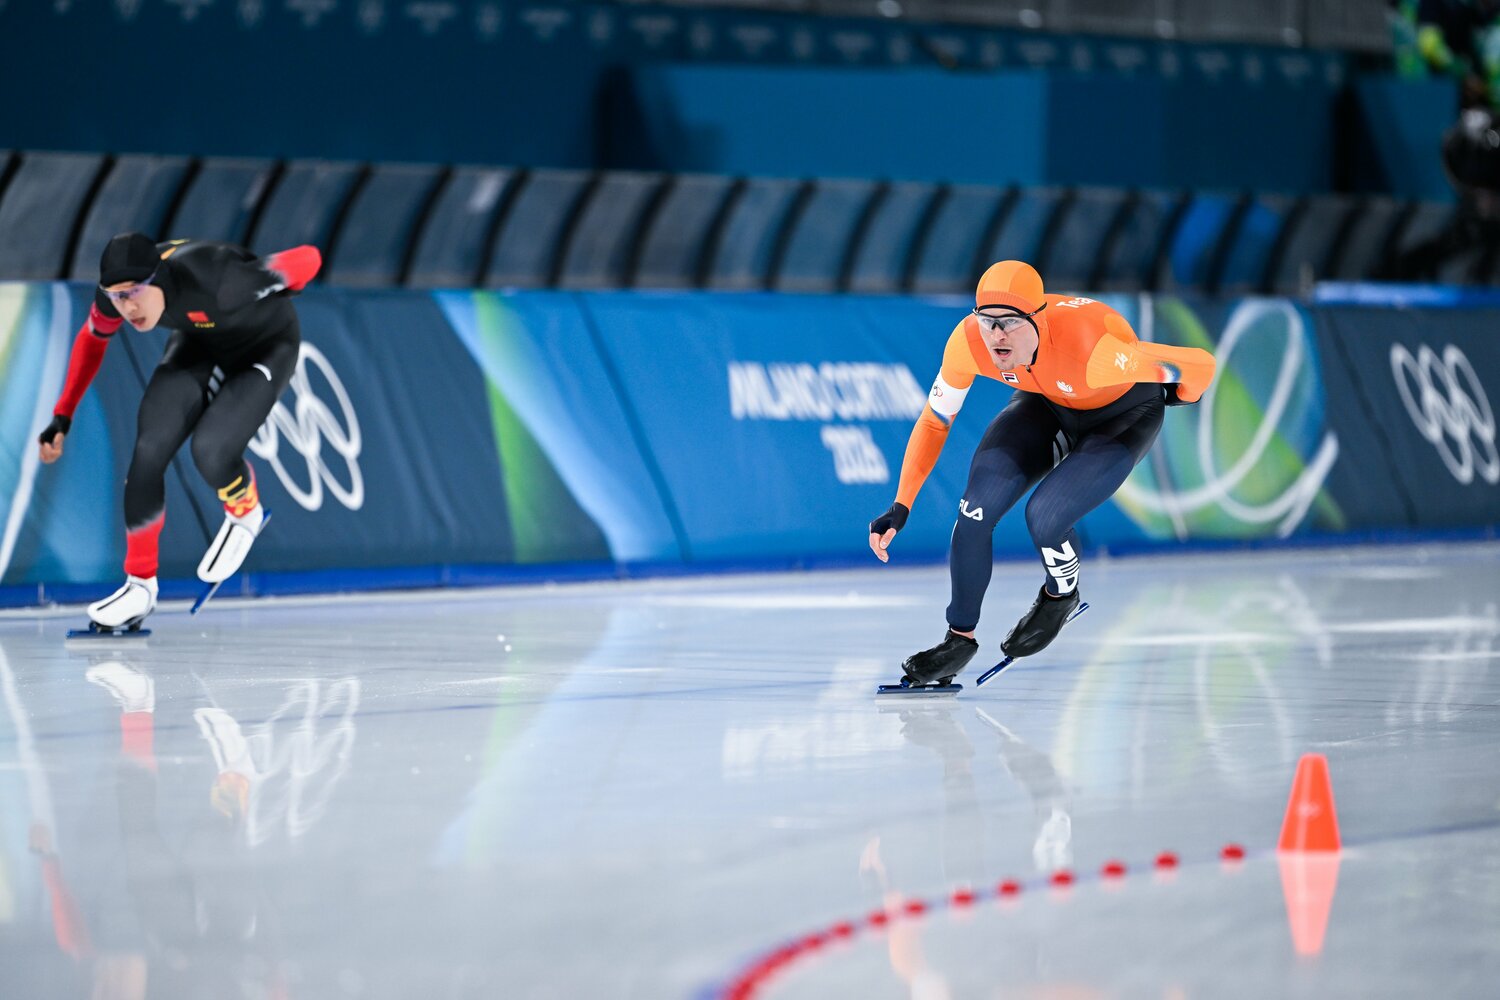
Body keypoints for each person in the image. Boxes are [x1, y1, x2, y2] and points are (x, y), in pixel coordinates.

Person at [867, 260, 1215, 687]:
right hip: (1047, 403)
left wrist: (1182, 394)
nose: (997, 335)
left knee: (1046, 516)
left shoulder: (1095, 351)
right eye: (988, 321)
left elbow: (1200, 365)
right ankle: (958, 639)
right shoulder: (968, 342)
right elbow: (936, 421)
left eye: (1010, 323)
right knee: (974, 510)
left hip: (1123, 415)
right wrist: (901, 504)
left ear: (1039, 318)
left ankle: (1059, 596)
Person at [37, 233, 321, 632]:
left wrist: (288, 281)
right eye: (117, 296)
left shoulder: (220, 280)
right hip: (199, 340)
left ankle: (245, 509)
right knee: (149, 448)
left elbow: (309, 257)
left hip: (266, 346)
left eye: (134, 293)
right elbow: (92, 341)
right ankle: (139, 585)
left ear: (158, 278)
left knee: (211, 450)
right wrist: (62, 415)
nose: (128, 307)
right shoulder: (114, 298)